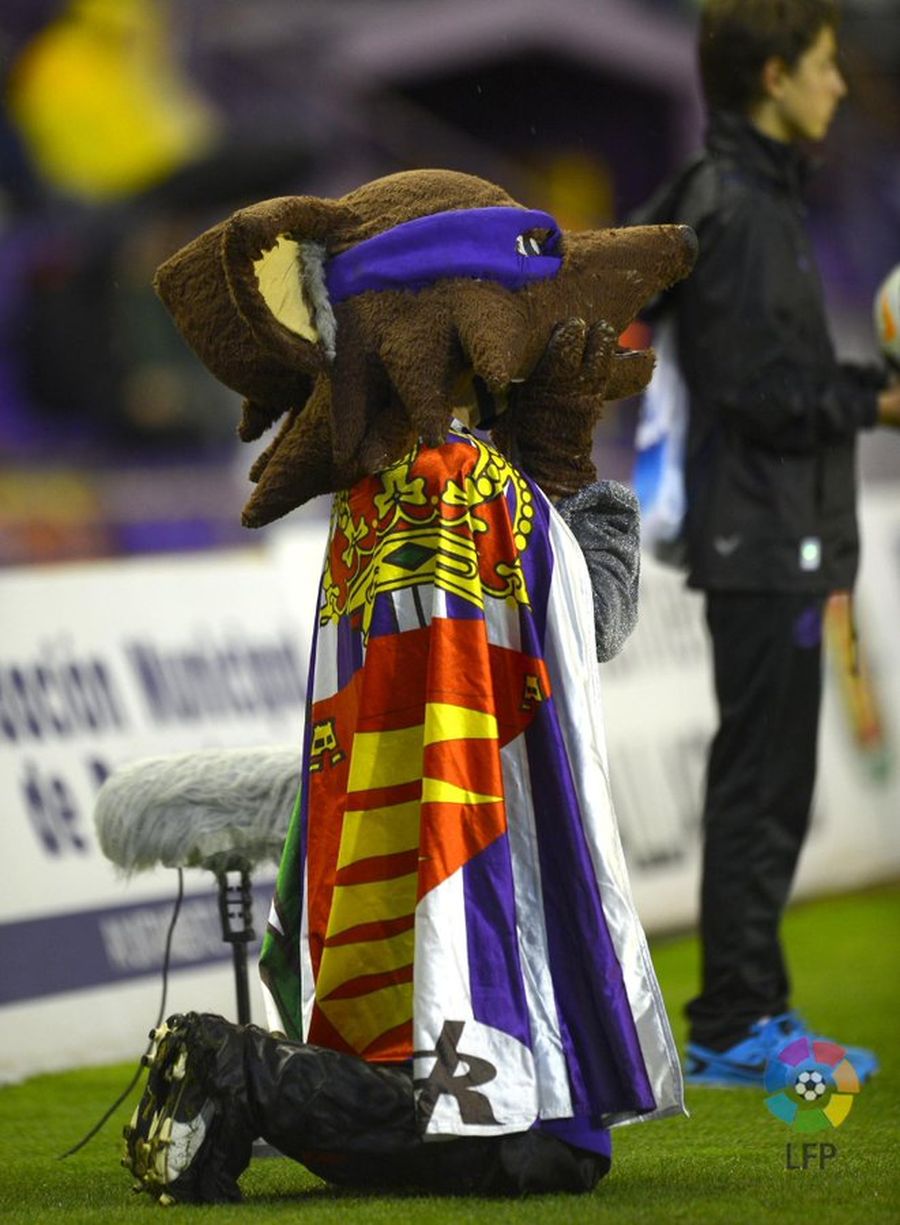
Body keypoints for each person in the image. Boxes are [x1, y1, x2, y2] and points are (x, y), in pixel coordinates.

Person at [120, 169, 697, 1202]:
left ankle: (270, 1078)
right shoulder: (464, 487)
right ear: (461, 316)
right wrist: (571, 478)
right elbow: (589, 625)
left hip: (386, 876)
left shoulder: (383, 483)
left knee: (526, 1139)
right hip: (455, 879)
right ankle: (245, 1073)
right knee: (543, 1149)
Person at [631, 0, 900, 1086]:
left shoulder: (753, 196)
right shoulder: (738, 208)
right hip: (759, 534)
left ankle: (750, 1011)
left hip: (774, 528)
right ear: (775, 75)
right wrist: (878, 404)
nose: (842, 87)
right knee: (762, 778)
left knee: (769, 775)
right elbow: (756, 391)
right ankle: (737, 1022)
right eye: (827, 68)